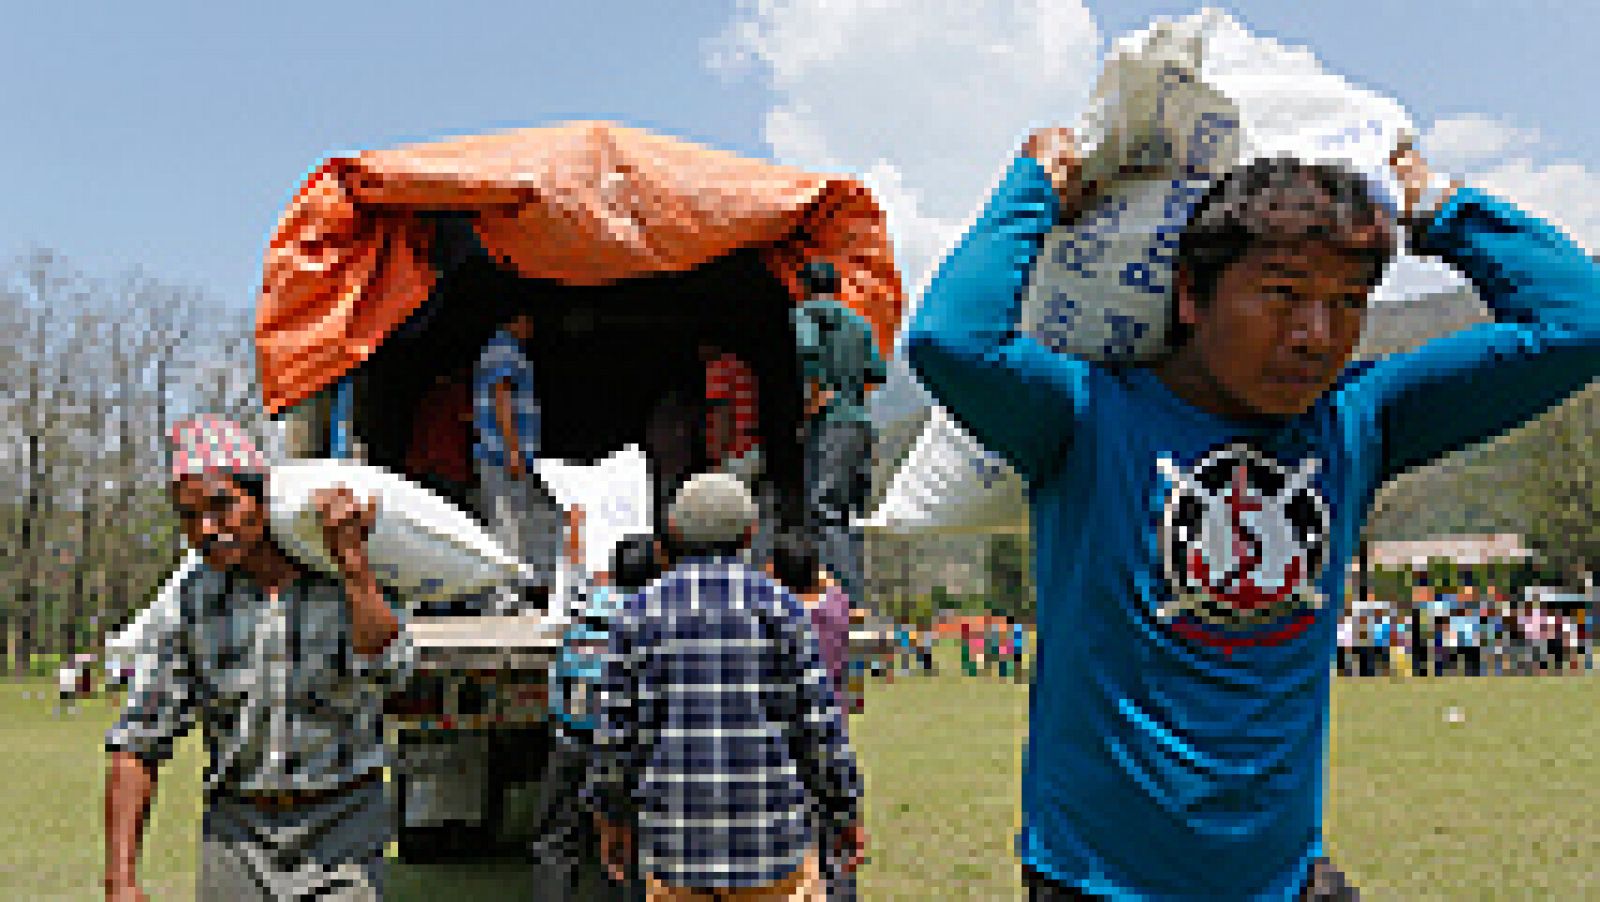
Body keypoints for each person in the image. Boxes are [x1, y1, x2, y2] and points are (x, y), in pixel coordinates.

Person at [906, 121, 1600, 898]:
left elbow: (1580, 322)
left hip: (1279, 878)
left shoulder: (1359, 418)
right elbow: (950, 340)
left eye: (1348, 302)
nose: (1316, 334)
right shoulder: (1086, 417)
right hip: (1095, 880)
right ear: (1193, 296)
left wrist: (1437, 208)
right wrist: (1035, 184)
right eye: (1282, 295)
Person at [104, 416, 414, 902]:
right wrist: (120, 881)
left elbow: (392, 672)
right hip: (237, 835)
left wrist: (354, 567)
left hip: (343, 828)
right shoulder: (190, 603)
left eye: (222, 505)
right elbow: (139, 738)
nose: (206, 529)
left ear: (261, 499)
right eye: (189, 515)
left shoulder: (341, 578)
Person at [588, 473, 865, 901]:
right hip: (773, 849)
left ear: (674, 531)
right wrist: (845, 811)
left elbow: (616, 737)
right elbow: (820, 729)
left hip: (674, 852)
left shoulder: (638, 613)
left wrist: (611, 817)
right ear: (751, 532)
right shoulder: (783, 608)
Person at [529, 504, 660, 902]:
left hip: (570, 739)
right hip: (624, 747)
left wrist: (574, 530)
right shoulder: (652, 616)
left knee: (556, 839)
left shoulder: (586, 600)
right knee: (624, 841)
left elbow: (571, 570)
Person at [768, 530, 858, 901]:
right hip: (833, 729)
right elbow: (830, 582)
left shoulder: (774, 616)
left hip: (786, 742)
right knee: (835, 838)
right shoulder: (836, 608)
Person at [792, 260, 888, 605]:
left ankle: (843, 599)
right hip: (859, 425)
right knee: (848, 514)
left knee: (824, 510)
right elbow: (877, 372)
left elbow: (807, 350)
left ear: (806, 287)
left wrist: (815, 393)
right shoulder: (860, 324)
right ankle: (854, 594)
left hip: (829, 422)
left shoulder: (806, 315)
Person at [475, 312, 561, 610]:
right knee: (507, 525)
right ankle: (503, 597)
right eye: (529, 322)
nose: (532, 329)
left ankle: (512, 593)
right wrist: (513, 450)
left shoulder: (504, 350)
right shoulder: (504, 351)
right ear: (517, 319)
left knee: (515, 523)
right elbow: (502, 400)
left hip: (505, 454)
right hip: (502, 455)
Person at [405, 369, 476, 515]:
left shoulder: (430, 397)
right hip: (446, 467)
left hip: (428, 464)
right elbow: (469, 415)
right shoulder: (453, 392)